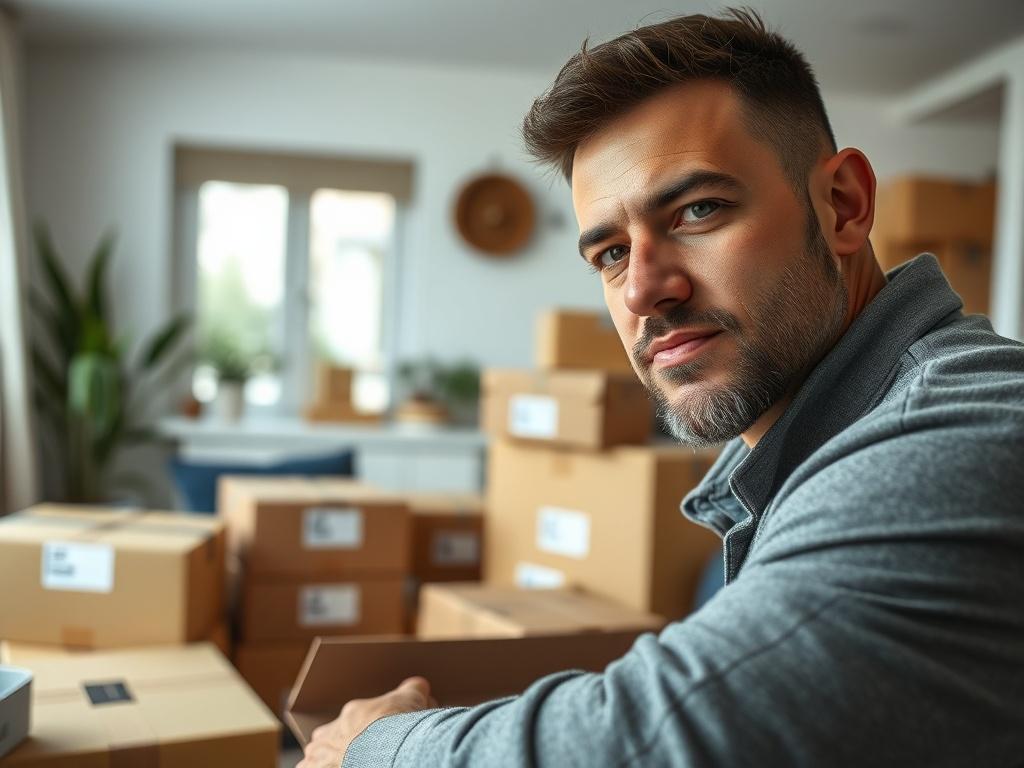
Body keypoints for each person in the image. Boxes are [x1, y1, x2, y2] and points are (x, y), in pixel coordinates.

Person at [299, 9, 1024, 767]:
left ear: (843, 206)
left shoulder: (955, 433)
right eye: (610, 253)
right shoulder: (818, 453)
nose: (643, 289)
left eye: (698, 210)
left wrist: (374, 749)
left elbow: (661, 738)